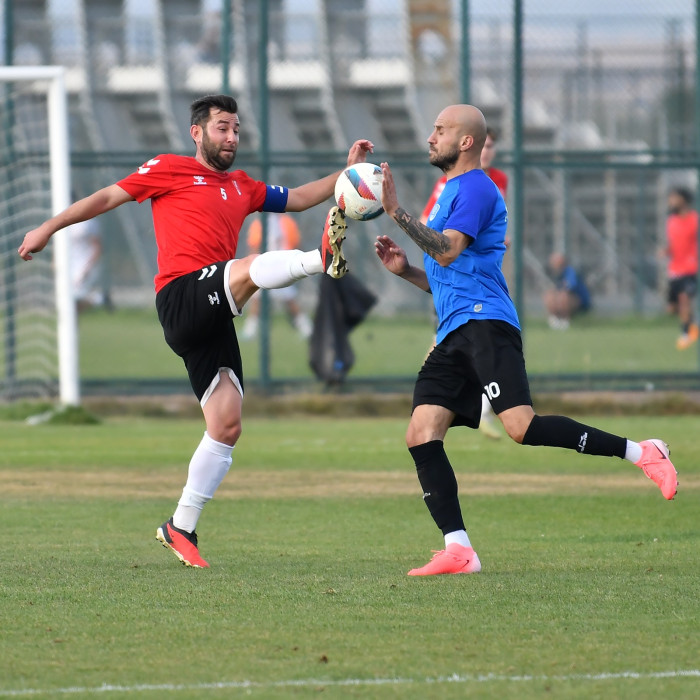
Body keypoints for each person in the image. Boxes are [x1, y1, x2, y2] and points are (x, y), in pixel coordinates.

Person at [19, 94, 374, 569]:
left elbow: (302, 197)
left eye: (236, 130)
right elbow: (107, 197)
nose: (231, 138)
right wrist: (49, 227)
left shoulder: (243, 186)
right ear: (198, 132)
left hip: (214, 313)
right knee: (245, 268)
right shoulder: (169, 169)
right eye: (222, 128)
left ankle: (180, 525)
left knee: (226, 424)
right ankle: (318, 259)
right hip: (182, 297)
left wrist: (347, 175)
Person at [374, 103, 678, 577]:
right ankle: (459, 550)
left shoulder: (476, 186)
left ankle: (643, 452)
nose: (431, 137)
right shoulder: (448, 193)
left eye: (440, 130)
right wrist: (406, 270)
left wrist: (395, 212)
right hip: (453, 329)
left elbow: (449, 250)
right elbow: (445, 273)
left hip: (485, 325)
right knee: (421, 433)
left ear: (466, 141)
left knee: (521, 427)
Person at [419, 126, 508, 440]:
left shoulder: (495, 182)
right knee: (445, 340)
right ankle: (441, 400)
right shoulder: (449, 184)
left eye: (492, 147)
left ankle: (469, 405)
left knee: (522, 425)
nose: (489, 152)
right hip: (454, 280)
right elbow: (430, 224)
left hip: (479, 286)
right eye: (486, 146)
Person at [242, 213, 313, 340]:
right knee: (258, 299)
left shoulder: (282, 222)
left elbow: (254, 246)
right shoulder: (276, 222)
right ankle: (250, 330)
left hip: (279, 265)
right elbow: (255, 245)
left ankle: (306, 328)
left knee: (289, 299)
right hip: (270, 265)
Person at [663, 187, 699, 351]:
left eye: (674, 198)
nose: (671, 202)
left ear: (683, 200)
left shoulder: (694, 219)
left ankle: (686, 333)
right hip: (674, 270)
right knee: (672, 308)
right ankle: (691, 326)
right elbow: (674, 245)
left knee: (685, 299)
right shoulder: (671, 221)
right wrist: (666, 251)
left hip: (689, 269)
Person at [543, 251, 591, 330]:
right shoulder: (554, 273)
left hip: (580, 301)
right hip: (565, 298)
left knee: (563, 296)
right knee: (549, 295)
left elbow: (570, 287)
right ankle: (554, 319)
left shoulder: (570, 271)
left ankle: (565, 320)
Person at [69, 218, 108, 312]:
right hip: (70, 265)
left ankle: (100, 299)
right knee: (69, 300)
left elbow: (97, 247)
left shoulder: (89, 223)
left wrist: (88, 268)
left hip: (84, 265)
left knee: (74, 300)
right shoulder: (64, 219)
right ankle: (99, 299)